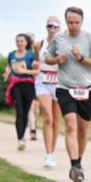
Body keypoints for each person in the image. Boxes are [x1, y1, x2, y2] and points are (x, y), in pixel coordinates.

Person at [44, 6, 91, 182]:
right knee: (70, 125)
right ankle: (75, 165)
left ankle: (79, 161)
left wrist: (80, 58)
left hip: (87, 88)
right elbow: (47, 58)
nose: (73, 25)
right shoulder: (58, 38)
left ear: (82, 21)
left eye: (76, 22)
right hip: (65, 87)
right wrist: (57, 60)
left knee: (83, 129)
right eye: (70, 22)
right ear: (66, 22)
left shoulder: (90, 38)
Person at [33, 17, 62, 167]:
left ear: (59, 28)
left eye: (55, 26)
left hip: (58, 82)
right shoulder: (39, 44)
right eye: (50, 25)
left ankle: (52, 152)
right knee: (48, 117)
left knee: (56, 120)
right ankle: (48, 154)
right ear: (46, 27)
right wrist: (36, 60)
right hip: (42, 82)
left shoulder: (64, 43)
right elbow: (36, 62)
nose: (52, 28)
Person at [2, 34, 39, 150]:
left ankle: (23, 134)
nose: (19, 43)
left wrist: (25, 71)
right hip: (15, 85)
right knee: (19, 112)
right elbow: (9, 66)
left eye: (21, 41)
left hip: (28, 84)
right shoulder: (11, 55)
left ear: (26, 43)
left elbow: (37, 71)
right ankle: (20, 138)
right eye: (17, 41)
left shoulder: (31, 55)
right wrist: (6, 73)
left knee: (26, 111)